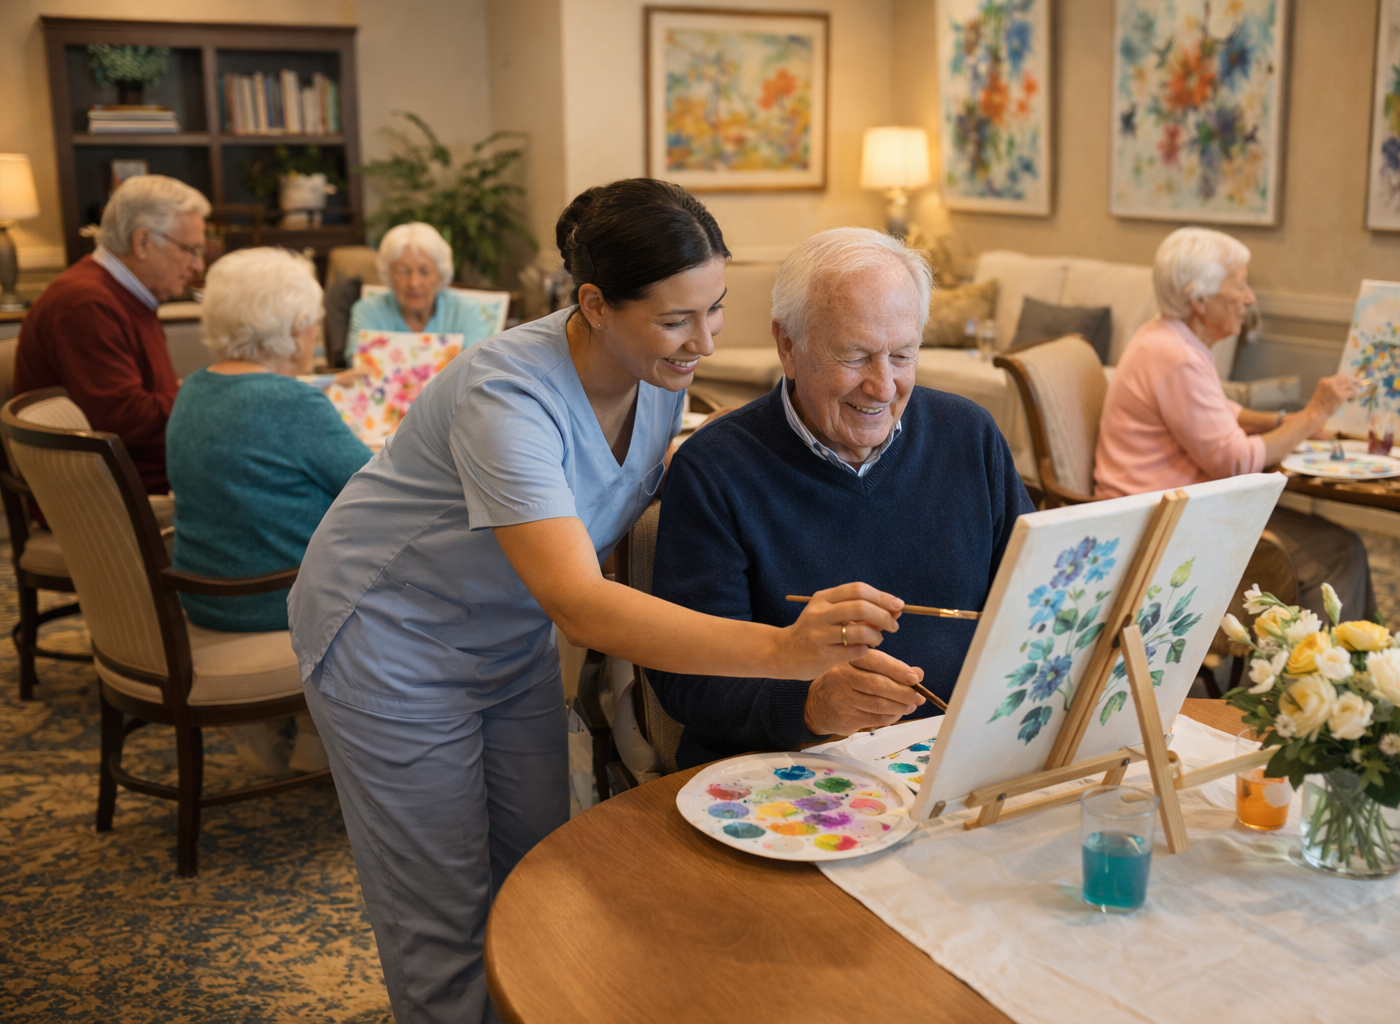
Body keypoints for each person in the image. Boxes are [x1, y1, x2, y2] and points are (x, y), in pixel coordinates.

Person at [286, 179, 908, 1024]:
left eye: (716, 309)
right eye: (675, 319)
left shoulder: (658, 379)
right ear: (594, 304)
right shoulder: (507, 397)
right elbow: (580, 602)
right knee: (441, 910)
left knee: (536, 873)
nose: (703, 340)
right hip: (390, 637)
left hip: (507, 639)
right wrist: (781, 651)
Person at [647, 228, 1032, 767]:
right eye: (854, 356)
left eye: (902, 355)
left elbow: (1037, 605)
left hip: (953, 758)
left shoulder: (969, 434)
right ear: (787, 346)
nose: (882, 386)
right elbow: (684, 680)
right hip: (784, 771)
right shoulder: (715, 468)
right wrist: (811, 708)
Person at [1094, 226, 1376, 621]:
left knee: (1332, 544)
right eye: (1240, 285)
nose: (1249, 298)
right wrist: (1316, 411)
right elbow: (1235, 462)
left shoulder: (1165, 337)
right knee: (1340, 552)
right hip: (1161, 533)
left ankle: (1315, 665)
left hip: (1166, 512)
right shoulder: (1177, 356)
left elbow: (1220, 411)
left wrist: (1286, 421)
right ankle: (1314, 675)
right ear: (1199, 299)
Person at [166, 247, 374, 775]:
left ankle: (274, 729)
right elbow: (374, 488)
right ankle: (317, 734)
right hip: (278, 603)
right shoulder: (292, 405)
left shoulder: (194, 387)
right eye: (312, 323)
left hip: (205, 594)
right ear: (294, 327)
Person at [14, 174, 208, 493]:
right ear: (142, 242)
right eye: (190, 249)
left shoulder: (124, 293)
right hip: (115, 493)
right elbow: (124, 419)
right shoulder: (85, 303)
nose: (198, 265)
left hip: (141, 473)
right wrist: (213, 404)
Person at [343, 221, 500, 365]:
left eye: (425, 272)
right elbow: (358, 364)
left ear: (440, 274)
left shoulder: (465, 310)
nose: (414, 283)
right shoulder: (368, 310)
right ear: (388, 274)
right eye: (403, 271)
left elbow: (478, 366)